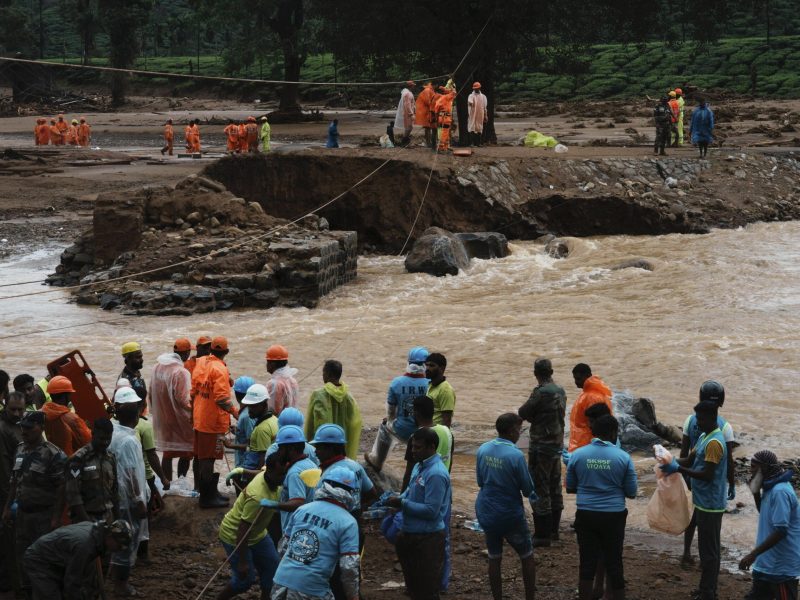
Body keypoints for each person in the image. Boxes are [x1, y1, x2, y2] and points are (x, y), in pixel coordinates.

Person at [660, 401, 728, 600]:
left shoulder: (715, 442)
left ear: (711, 418)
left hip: (711, 505)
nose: (697, 423)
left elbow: (706, 474)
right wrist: (668, 461)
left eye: (700, 419)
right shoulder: (704, 437)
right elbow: (690, 461)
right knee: (705, 548)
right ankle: (705, 588)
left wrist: (678, 469)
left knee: (710, 552)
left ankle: (708, 592)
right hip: (702, 501)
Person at [567, 415, 637, 600]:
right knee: (614, 563)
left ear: (593, 432)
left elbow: (571, 487)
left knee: (587, 564)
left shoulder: (578, 455)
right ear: (614, 433)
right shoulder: (624, 458)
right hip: (613, 516)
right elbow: (631, 492)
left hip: (586, 514)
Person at [2, 411, 67, 597]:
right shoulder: (20, 449)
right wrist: (7, 508)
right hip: (22, 515)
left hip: (44, 517)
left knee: (44, 560)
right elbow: (14, 481)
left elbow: (62, 488)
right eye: (22, 427)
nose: (24, 431)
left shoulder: (54, 454)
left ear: (41, 428)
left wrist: (56, 518)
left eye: (29, 428)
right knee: (23, 558)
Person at [270, 466, 361, 600]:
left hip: (281, 581)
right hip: (312, 589)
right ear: (352, 492)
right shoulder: (348, 522)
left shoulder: (302, 509)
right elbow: (349, 566)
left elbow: (284, 546)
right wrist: (353, 596)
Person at [311, 424, 377, 600]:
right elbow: (372, 494)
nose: (316, 451)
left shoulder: (329, 474)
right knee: (351, 570)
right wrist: (357, 512)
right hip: (353, 524)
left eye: (319, 447)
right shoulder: (354, 466)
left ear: (331, 448)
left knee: (336, 575)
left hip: (335, 529)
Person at [476, 413, 537, 600]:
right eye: (520, 430)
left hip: (486, 510)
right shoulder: (516, 455)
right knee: (526, 555)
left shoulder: (483, 449)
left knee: (494, 557)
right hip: (509, 513)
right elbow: (527, 489)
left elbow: (480, 481)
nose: (520, 434)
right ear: (512, 431)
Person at [386, 427, 451, 600]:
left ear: (432, 447)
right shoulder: (419, 466)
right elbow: (409, 492)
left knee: (427, 590)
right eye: (413, 447)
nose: (413, 451)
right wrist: (398, 501)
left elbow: (431, 511)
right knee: (413, 587)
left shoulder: (436, 474)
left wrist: (402, 503)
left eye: (418, 447)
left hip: (428, 539)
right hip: (410, 534)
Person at [680, 380, 735, 566]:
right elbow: (729, 460)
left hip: (696, 478)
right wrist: (732, 482)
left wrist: (682, 473)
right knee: (703, 523)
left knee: (694, 518)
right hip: (705, 482)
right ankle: (707, 562)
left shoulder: (692, 420)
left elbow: (685, 452)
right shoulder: (724, 427)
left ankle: (687, 552)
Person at [216, 452, 284, 600]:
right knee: (244, 580)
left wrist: (242, 471)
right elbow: (243, 529)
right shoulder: (258, 496)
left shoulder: (270, 474)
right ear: (271, 472)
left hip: (258, 534)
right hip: (235, 535)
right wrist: (242, 561)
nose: (283, 478)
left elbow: (261, 471)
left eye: (284, 474)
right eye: (280, 475)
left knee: (273, 570)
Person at [518, 357, 567, 546]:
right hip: (556, 445)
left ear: (535, 374)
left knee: (540, 487)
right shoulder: (561, 390)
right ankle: (554, 531)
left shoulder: (540, 392)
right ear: (552, 372)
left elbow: (523, 412)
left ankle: (542, 535)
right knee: (555, 487)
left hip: (541, 446)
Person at [739, 450, 800, 600]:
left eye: (754, 467)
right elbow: (766, 514)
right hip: (767, 563)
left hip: (780, 568)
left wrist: (752, 554)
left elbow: (781, 531)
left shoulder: (780, 491)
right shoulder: (769, 487)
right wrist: (755, 493)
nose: (750, 470)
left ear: (765, 468)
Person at [25, 519, 132, 600]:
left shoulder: (96, 535)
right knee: (51, 596)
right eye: (119, 546)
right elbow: (72, 582)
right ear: (110, 536)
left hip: (55, 559)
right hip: (39, 560)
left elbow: (85, 577)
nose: (117, 550)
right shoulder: (85, 546)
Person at [108, 386, 148, 597]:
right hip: (129, 501)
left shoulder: (113, 433)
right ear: (137, 414)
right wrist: (139, 500)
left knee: (117, 537)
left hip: (116, 497)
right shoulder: (130, 441)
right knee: (127, 541)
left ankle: (114, 576)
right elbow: (131, 474)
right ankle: (121, 584)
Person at [365, 346, 430, 472]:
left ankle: (377, 461)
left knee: (384, 426)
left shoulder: (396, 382)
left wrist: (390, 420)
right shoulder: (430, 384)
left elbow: (390, 410)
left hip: (402, 430)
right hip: (424, 432)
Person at [191, 336, 238, 508]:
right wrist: (236, 412)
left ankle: (208, 492)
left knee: (202, 457)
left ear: (211, 349)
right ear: (226, 351)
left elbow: (194, 389)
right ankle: (207, 498)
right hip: (211, 422)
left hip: (200, 417)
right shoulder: (220, 369)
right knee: (208, 459)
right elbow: (221, 399)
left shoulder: (201, 362)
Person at [151, 341, 194, 483]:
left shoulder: (158, 367)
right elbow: (183, 400)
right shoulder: (181, 372)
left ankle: (166, 483)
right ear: (186, 353)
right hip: (179, 419)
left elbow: (150, 392)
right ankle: (181, 481)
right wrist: (195, 409)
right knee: (187, 452)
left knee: (167, 452)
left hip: (163, 417)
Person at [305, 359, 362, 460]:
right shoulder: (349, 397)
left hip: (324, 446)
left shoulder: (318, 395)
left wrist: (308, 442)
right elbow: (355, 423)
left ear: (328, 374)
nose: (322, 376)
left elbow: (314, 422)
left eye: (323, 372)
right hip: (341, 445)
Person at [65, 417, 119, 524]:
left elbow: (115, 492)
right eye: (102, 438)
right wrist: (88, 524)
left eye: (108, 439)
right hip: (85, 519)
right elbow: (73, 496)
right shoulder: (78, 459)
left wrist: (117, 519)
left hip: (108, 517)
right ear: (93, 434)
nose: (105, 442)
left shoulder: (111, 458)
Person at [272, 425, 321, 529]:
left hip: (294, 527)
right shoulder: (310, 463)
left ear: (291, 448)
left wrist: (274, 505)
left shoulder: (294, 473)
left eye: (280, 448)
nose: (278, 452)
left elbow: (297, 503)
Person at [0, 392, 24, 595]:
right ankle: (12, 585)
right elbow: (5, 469)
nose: (16, 413)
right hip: (8, 494)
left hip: (22, 491)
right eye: (12, 409)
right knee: (10, 541)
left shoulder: (23, 425)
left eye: (20, 410)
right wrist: (10, 500)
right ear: (4, 407)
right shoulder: (2, 430)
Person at [42, 375, 91, 456]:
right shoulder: (72, 419)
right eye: (69, 394)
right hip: (70, 461)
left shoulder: (44, 413)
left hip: (53, 458)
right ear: (66, 396)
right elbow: (87, 441)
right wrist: (87, 427)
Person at [568, 363, 612, 452]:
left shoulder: (593, 397)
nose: (576, 382)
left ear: (588, 376)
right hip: (583, 445)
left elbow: (600, 426)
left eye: (578, 378)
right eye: (575, 379)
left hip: (587, 446)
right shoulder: (589, 393)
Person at [241, 384, 279, 472]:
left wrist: (256, 480)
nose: (249, 410)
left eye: (253, 406)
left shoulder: (262, 429)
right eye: (248, 405)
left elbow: (262, 460)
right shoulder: (274, 419)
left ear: (264, 404)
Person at [226, 375, 257, 469]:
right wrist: (238, 431)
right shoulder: (249, 411)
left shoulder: (247, 416)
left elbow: (252, 446)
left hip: (246, 465)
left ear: (236, 394)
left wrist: (230, 445)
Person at [265, 344, 299, 416]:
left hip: (279, 424)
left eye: (268, 362)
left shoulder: (273, 384)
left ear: (272, 364)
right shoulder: (293, 380)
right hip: (293, 420)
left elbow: (271, 411)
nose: (266, 365)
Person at [425, 352, 455, 428]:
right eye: (426, 365)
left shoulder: (445, 390)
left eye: (432, 365)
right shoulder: (431, 385)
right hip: (430, 432)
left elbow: (447, 421)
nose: (427, 368)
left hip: (438, 435)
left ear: (442, 368)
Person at [435, 84, 457, 153]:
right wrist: (452, 85)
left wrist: (437, 119)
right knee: (444, 133)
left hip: (441, 117)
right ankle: (441, 148)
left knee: (446, 133)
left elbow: (436, 111)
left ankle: (445, 147)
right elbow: (454, 93)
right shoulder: (447, 97)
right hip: (446, 118)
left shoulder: (440, 99)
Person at [467, 82, 488, 147]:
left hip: (480, 114)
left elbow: (485, 107)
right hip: (473, 114)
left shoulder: (483, 97)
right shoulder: (471, 95)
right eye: (475, 88)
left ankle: (478, 143)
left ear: (479, 88)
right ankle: (472, 143)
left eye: (477, 88)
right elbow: (470, 102)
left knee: (479, 128)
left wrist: (485, 115)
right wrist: (470, 103)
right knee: (472, 127)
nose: (476, 89)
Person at [415, 82, 436, 148]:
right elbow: (428, 101)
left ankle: (430, 143)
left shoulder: (430, 90)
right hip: (426, 112)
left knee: (430, 128)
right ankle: (428, 143)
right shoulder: (428, 90)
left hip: (428, 111)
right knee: (428, 128)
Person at [395, 80, 416, 145]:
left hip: (409, 112)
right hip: (408, 113)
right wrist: (411, 114)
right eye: (413, 85)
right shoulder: (407, 94)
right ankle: (404, 141)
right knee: (409, 127)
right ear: (410, 86)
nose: (414, 87)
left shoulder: (408, 92)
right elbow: (407, 105)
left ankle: (405, 140)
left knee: (409, 127)